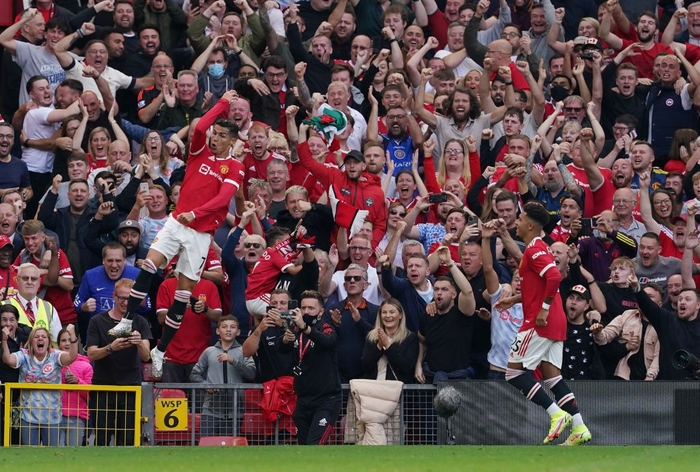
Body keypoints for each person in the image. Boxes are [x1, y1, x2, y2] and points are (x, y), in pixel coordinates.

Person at [119, 91, 245, 379]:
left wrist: (197, 214)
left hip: (200, 234)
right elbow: (200, 126)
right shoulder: (200, 150)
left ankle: (161, 351)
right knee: (149, 265)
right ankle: (127, 321)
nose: (215, 138)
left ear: (232, 141)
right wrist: (223, 102)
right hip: (177, 223)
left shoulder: (235, 167)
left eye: (222, 135)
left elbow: (224, 197)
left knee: (183, 294)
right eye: (216, 133)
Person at [506, 201, 591, 446]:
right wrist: (515, 298)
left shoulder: (535, 249)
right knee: (552, 377)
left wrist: (542, 309)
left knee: (513, 372)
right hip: (555, 320)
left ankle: (556, 414)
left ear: (530, 225)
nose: (518, 222)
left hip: (539, 320)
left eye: (520, 218)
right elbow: (540, 284)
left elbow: (554, 276)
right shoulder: (537, 248)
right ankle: (579, 426)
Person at [86, 279, 151, 446]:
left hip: (130, 387)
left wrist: (139, 343)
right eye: (122, 298)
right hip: (103, 386)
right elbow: (91, 354)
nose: (125, 302)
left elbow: (146, 357)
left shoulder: (140, 322)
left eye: (130, 299)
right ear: (113, 296)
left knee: (128, 439)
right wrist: (110, 348)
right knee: (102, 437)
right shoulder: (97, 321)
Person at [277, 290, 340, 445]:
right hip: (303, 400)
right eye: (303, 308)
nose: (306, 311)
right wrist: (285, 340)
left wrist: (305, 327)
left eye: (311, 308)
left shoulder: (325, 326)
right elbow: (281, 349)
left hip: (326, 400)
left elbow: (328, 341)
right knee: (303, 448)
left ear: (321, 311)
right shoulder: (295, 329)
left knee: (315, 445)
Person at [1, 323, 78, 446]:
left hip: (52, 417)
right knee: (29, 456)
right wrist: (4, 340)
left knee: (52, 456)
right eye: (36, 337)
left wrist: (73, 336)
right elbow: (8, 359)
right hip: (28, 417)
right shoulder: (24, 355)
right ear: (31, 341)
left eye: (44, 336)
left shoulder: (55, 355)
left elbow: (71, 357)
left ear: (48, 342)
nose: (40, 339)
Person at [190, 316, 256, 437]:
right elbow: (194, 374)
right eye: (224, 327)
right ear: (217, 330)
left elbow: (251, 374)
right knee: (206, 447)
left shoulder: (244, 351)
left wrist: (233, 361)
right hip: (210, 409)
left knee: (230, 449)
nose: (228, 330)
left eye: (233, 327)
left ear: (239, 332)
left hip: (235, 410)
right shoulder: (209, 351)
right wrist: (206, 386)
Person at [362, 298, 419, 383]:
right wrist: (379, 347)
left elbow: (406, 366)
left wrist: (388, 346)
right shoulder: (372, 336)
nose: (388, 316)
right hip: (373, 389)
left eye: (392, 312)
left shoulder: (410, 338)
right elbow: (365, 367)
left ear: (400, 315)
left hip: (396, 391)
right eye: (384, 312)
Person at [57, 326, 93, 447]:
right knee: (54, 453)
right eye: (63, 340)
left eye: (70, 340)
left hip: (77, 416)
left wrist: (78, 382)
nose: (67, 344)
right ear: (58, 344)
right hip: (54, 415)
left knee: (74, 451)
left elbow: (89, 395)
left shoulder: (85, 365)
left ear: (76, 342)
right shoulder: (53, 363)